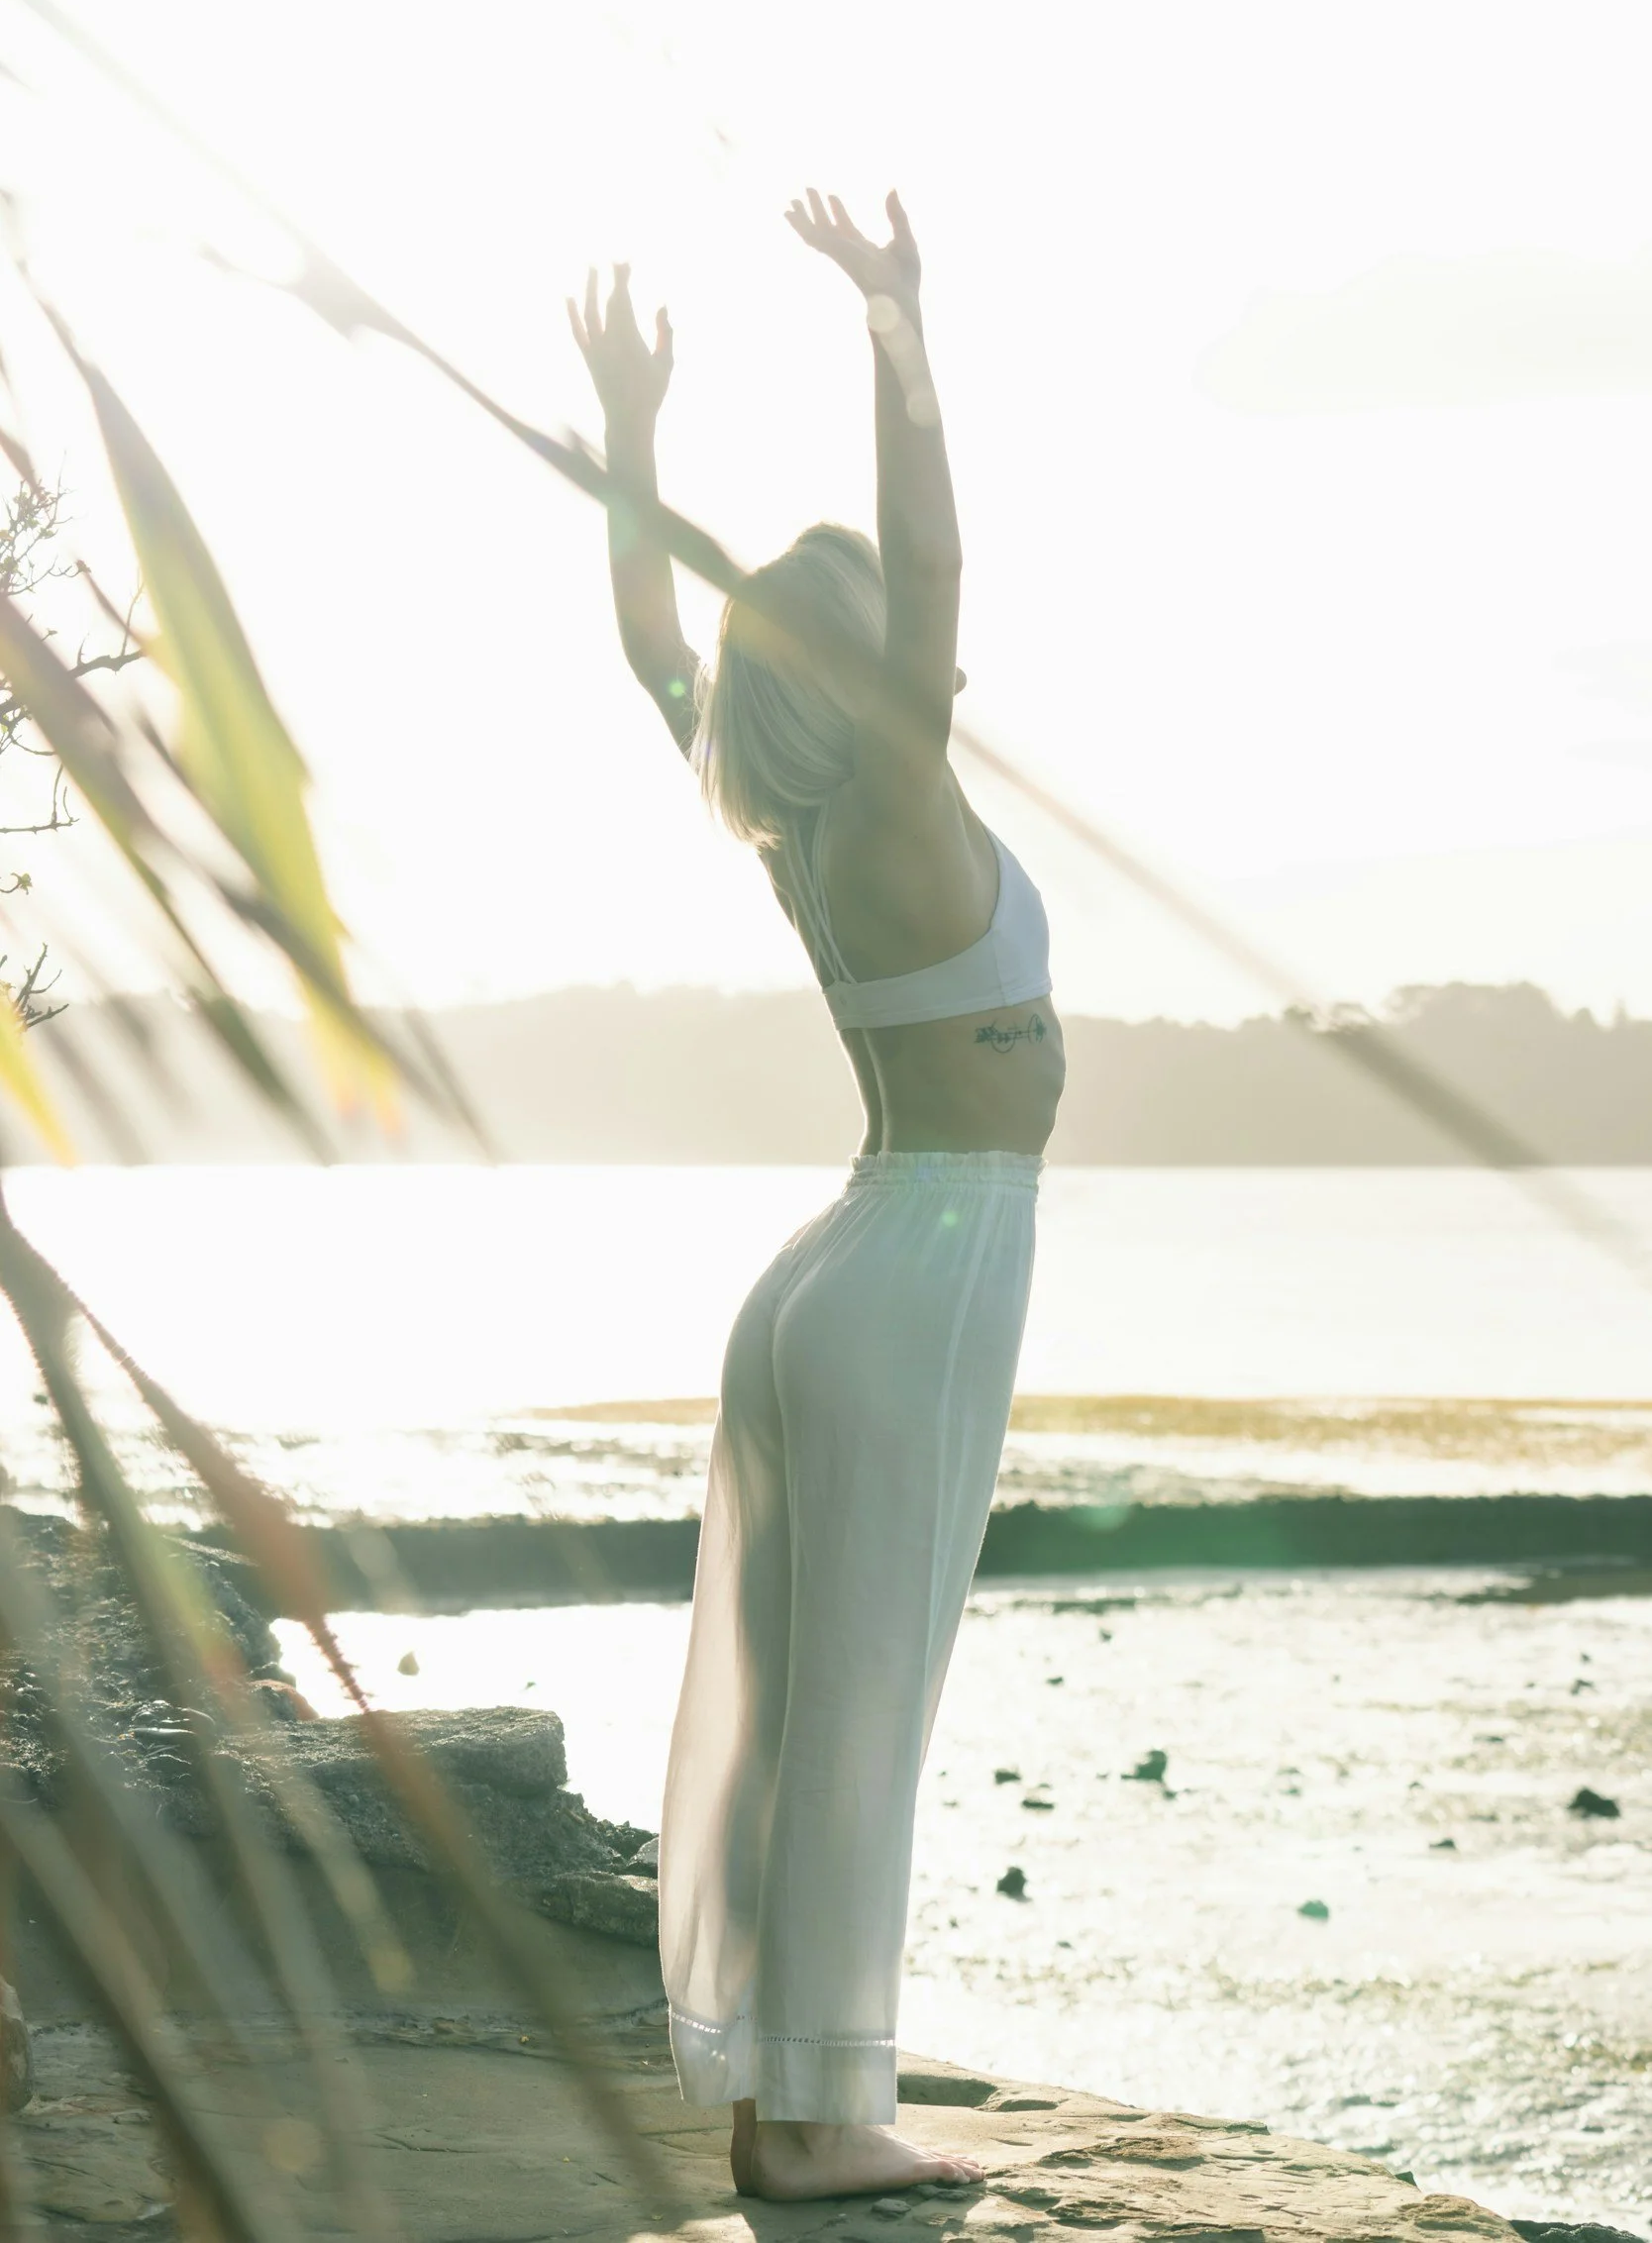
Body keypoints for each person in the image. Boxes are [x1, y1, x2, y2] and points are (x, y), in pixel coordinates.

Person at [569, 190, 1065, 2203]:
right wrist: (897, 325)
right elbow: (935, 552)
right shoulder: (887, 793)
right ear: (862, 663)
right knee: (862, 1684)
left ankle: (787, 2095)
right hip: (925, 1258)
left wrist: (629, 436)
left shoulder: (793, 818)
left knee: (800, 1686)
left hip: (837, 1265)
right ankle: (823, 2115)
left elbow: (646, 639)